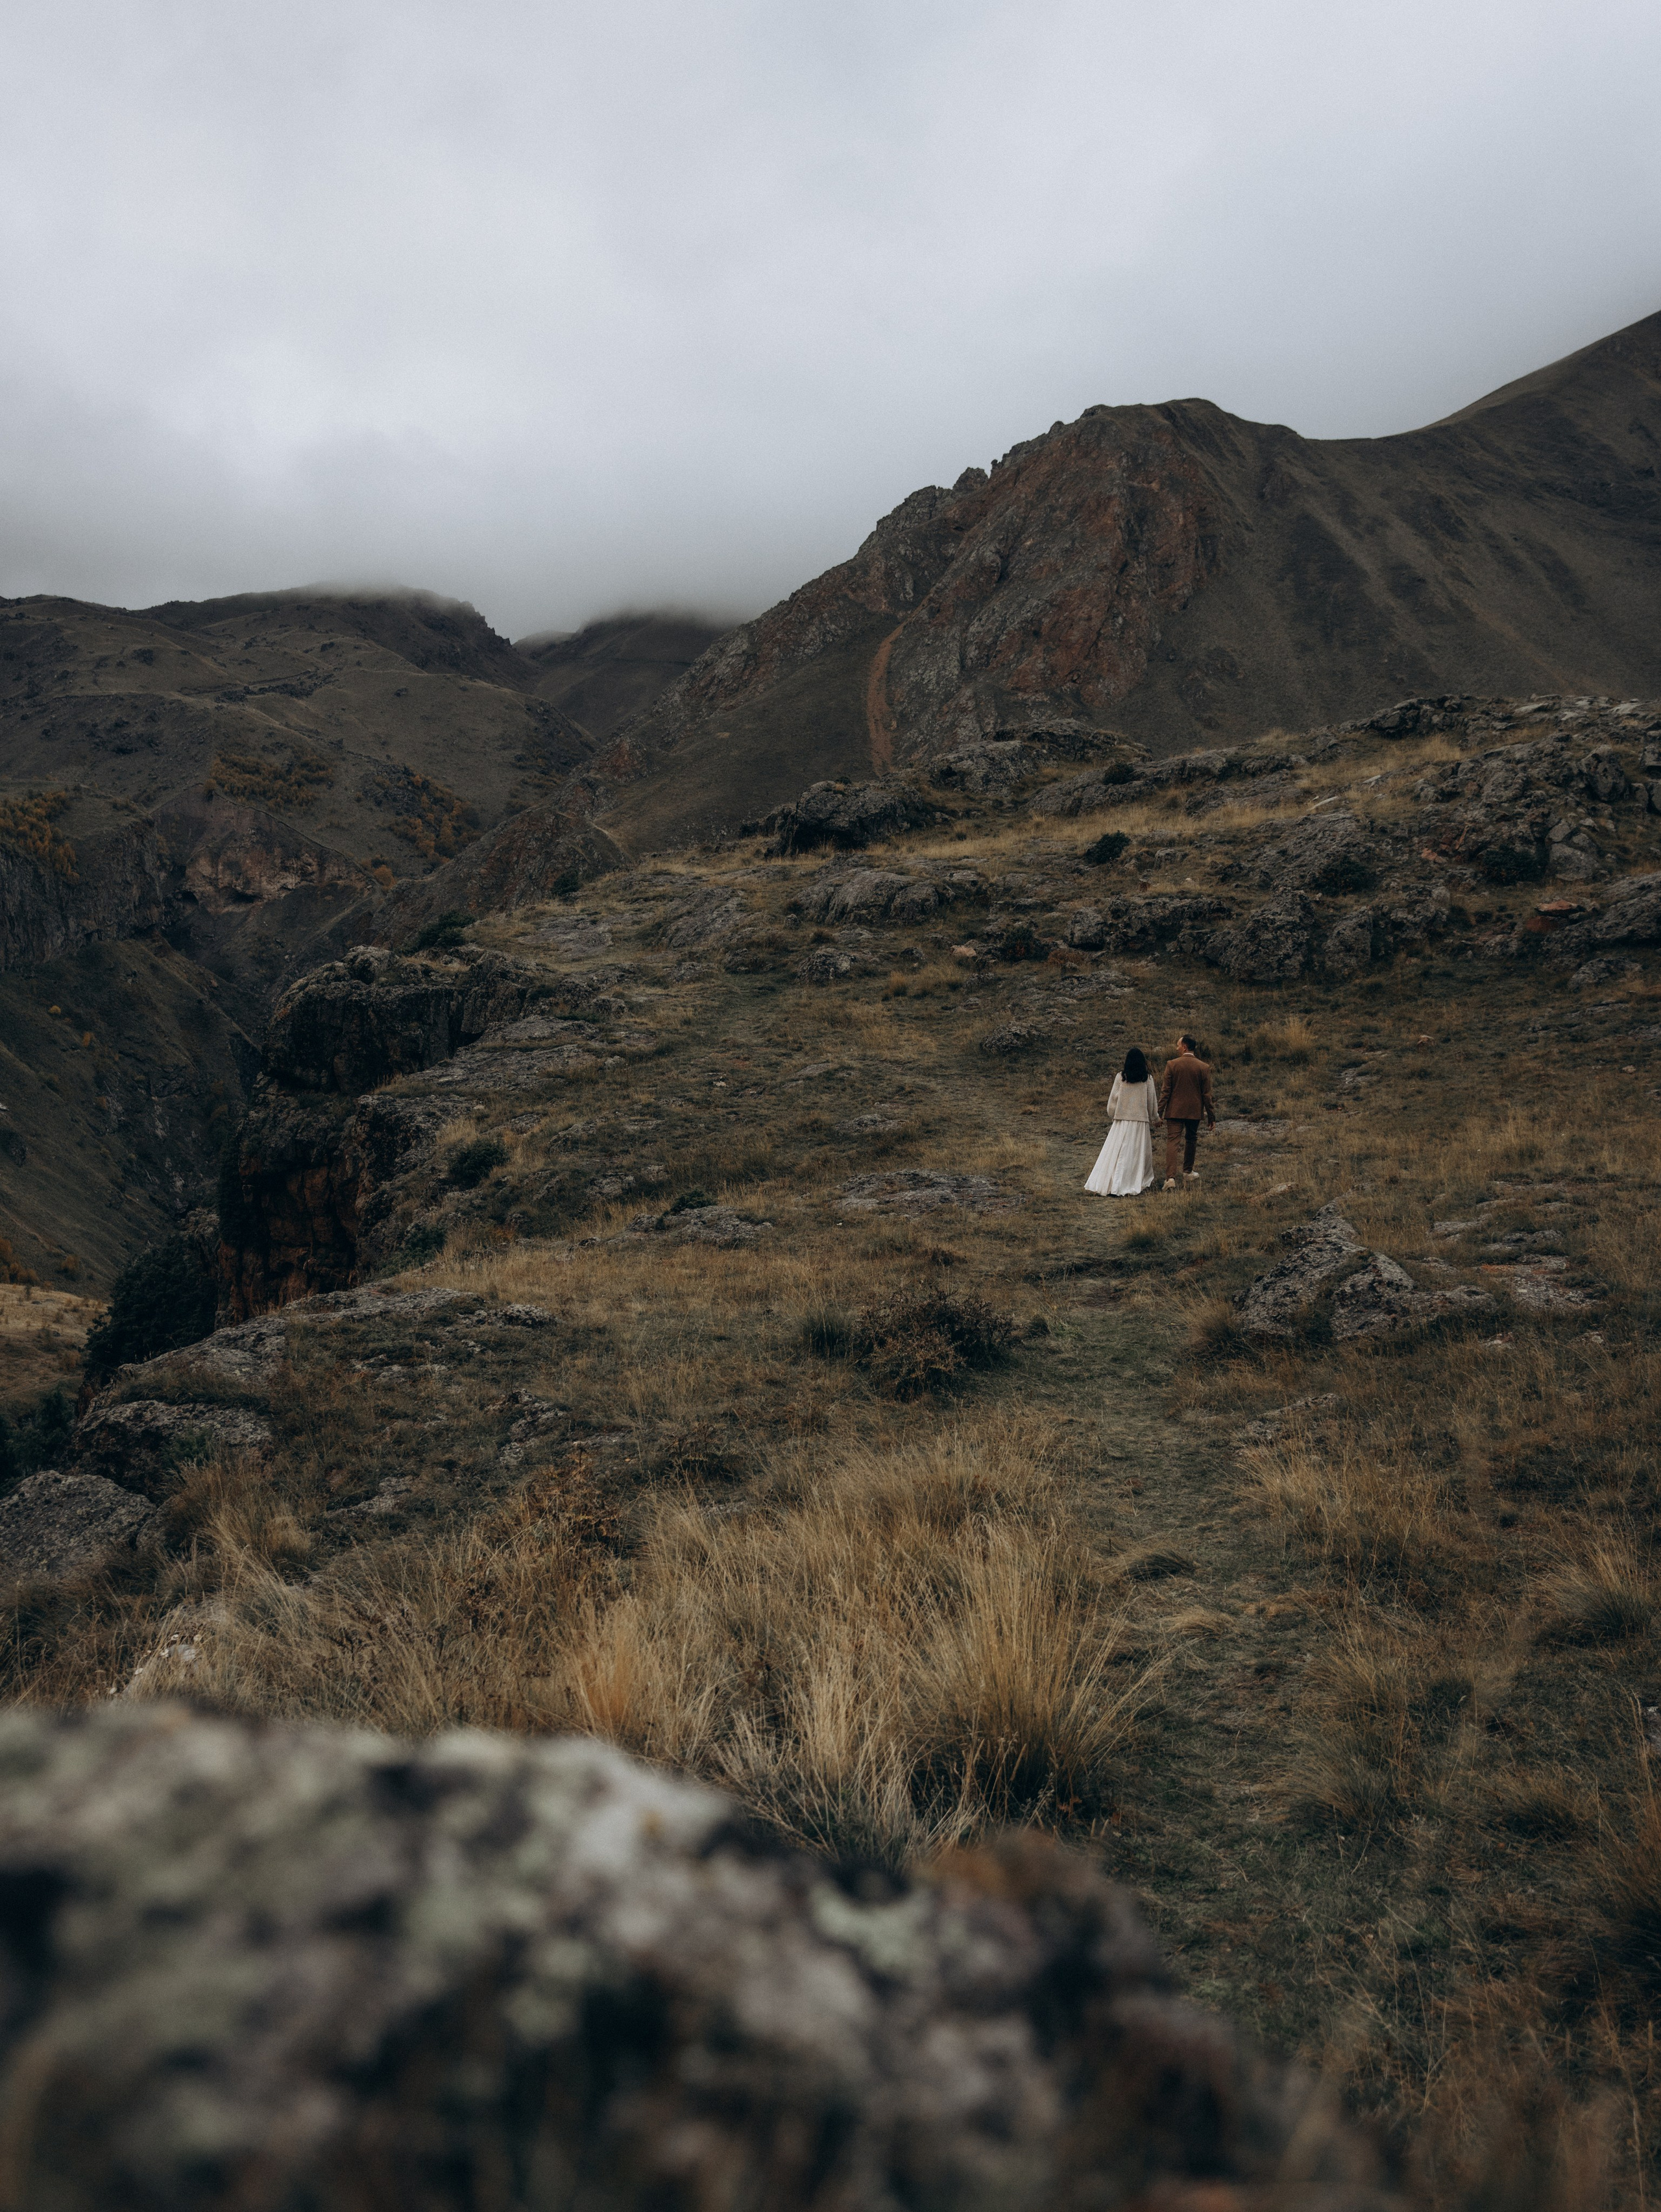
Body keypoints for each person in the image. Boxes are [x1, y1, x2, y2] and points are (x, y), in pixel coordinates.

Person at [1085, 1046, 1161, 1197]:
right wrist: (1155, 1118)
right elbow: (1151, 1102)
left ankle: (1113, 1183)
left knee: (1116, 1153)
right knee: (1135, 1154)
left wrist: (1114, 1115)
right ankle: (1129, 1181)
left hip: (1121, 1121)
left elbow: (1113, 1101)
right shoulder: (1148, 1079)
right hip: (1140, 1122)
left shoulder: (1121, 1077)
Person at [1158, 1031, 1215, 1191]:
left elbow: (1165, 1092)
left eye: (1178, 1045)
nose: (1176, 1048)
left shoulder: (1172, 1065)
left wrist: (1159, 1113)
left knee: (1173, 1141)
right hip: (1194, 1111)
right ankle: (1188, 1172)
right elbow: (1207, 1095)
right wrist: (1211, 1116)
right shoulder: (1203, 1067)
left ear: (1184, 1047)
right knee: (1191, 1139)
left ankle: (1170, 1178)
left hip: (1174, 1111)